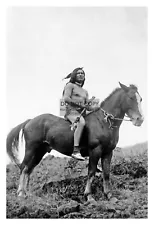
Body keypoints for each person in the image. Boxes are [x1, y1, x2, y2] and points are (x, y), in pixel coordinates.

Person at [62, 67, 99, 160]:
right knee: (81, 123)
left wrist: (96, 108)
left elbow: (87, 107)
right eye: (78, 73)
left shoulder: (85, 91)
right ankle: (75, 151)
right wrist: (81, 105)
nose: (81, 74)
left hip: (82, 113)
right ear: (74, 75)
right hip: (71, 111)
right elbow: (66, 98)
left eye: (82, 73)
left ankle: (89, 152)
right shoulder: (70, 85)